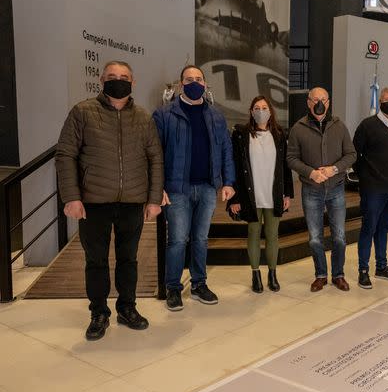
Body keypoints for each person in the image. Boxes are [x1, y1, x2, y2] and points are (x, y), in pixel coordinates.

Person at [55, 61, 163, 341]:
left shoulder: (143, 117)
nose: (118, 81)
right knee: (96, 261)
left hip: (132, 203)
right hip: (93, 203)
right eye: (112, 77)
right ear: (101, 79)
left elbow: (155, 159)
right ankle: (99, 312)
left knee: (129, 259)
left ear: (133, 82)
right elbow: (66, 155)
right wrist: (72, 197)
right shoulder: (82, 112)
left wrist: (154, 199)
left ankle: (127, 308)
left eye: (124, 77)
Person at [153, 65, 236, 311]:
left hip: (208, 187)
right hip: (177, 189)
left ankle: (199, 284)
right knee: (178, 240)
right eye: (189, 79)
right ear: (180, 85)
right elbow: (155, 154)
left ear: (205, 83)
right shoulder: (164, 115)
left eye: (198, 79)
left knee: (201, 238)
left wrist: (228, 182)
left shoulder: (216, 116)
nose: (194, 82)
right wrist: (157, 188)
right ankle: (173, 288)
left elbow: (226, 151)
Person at [287, 87, 357, 292]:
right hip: (311, 190)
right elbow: (291, 158)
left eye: (323, 100)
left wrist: (334, 169)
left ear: (329, 102)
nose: (319, 103)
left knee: (339, 236)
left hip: (335, 188)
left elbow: (351, 155)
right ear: (308, 102)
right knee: (315, 237)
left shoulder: (339, 126)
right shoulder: (298, 128)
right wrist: (311, 173)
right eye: (315, 99)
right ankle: (320, 275)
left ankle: (338, 274)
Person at [228, 96, 294, 294]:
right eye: (256, 107)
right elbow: (235, 167)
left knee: (273, 235)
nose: (260, 111)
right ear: (251, 112)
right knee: (253, 234)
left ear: (271, 111)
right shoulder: (241, 135)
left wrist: (287, 194)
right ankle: (255, 274)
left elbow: (285, 166)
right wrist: (234, 198)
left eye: (264, 107)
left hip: (273, 194)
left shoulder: (280, 135)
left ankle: (272, 274)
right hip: (251, 195)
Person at [353, 87, 388, 289]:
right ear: (380, 102)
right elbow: (355, 155)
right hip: (373, 189)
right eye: (386, 99)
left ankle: (381, 267)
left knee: (383, 229)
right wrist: (366, 178)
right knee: (369, 228)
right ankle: (363, 270)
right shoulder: (367, 126)